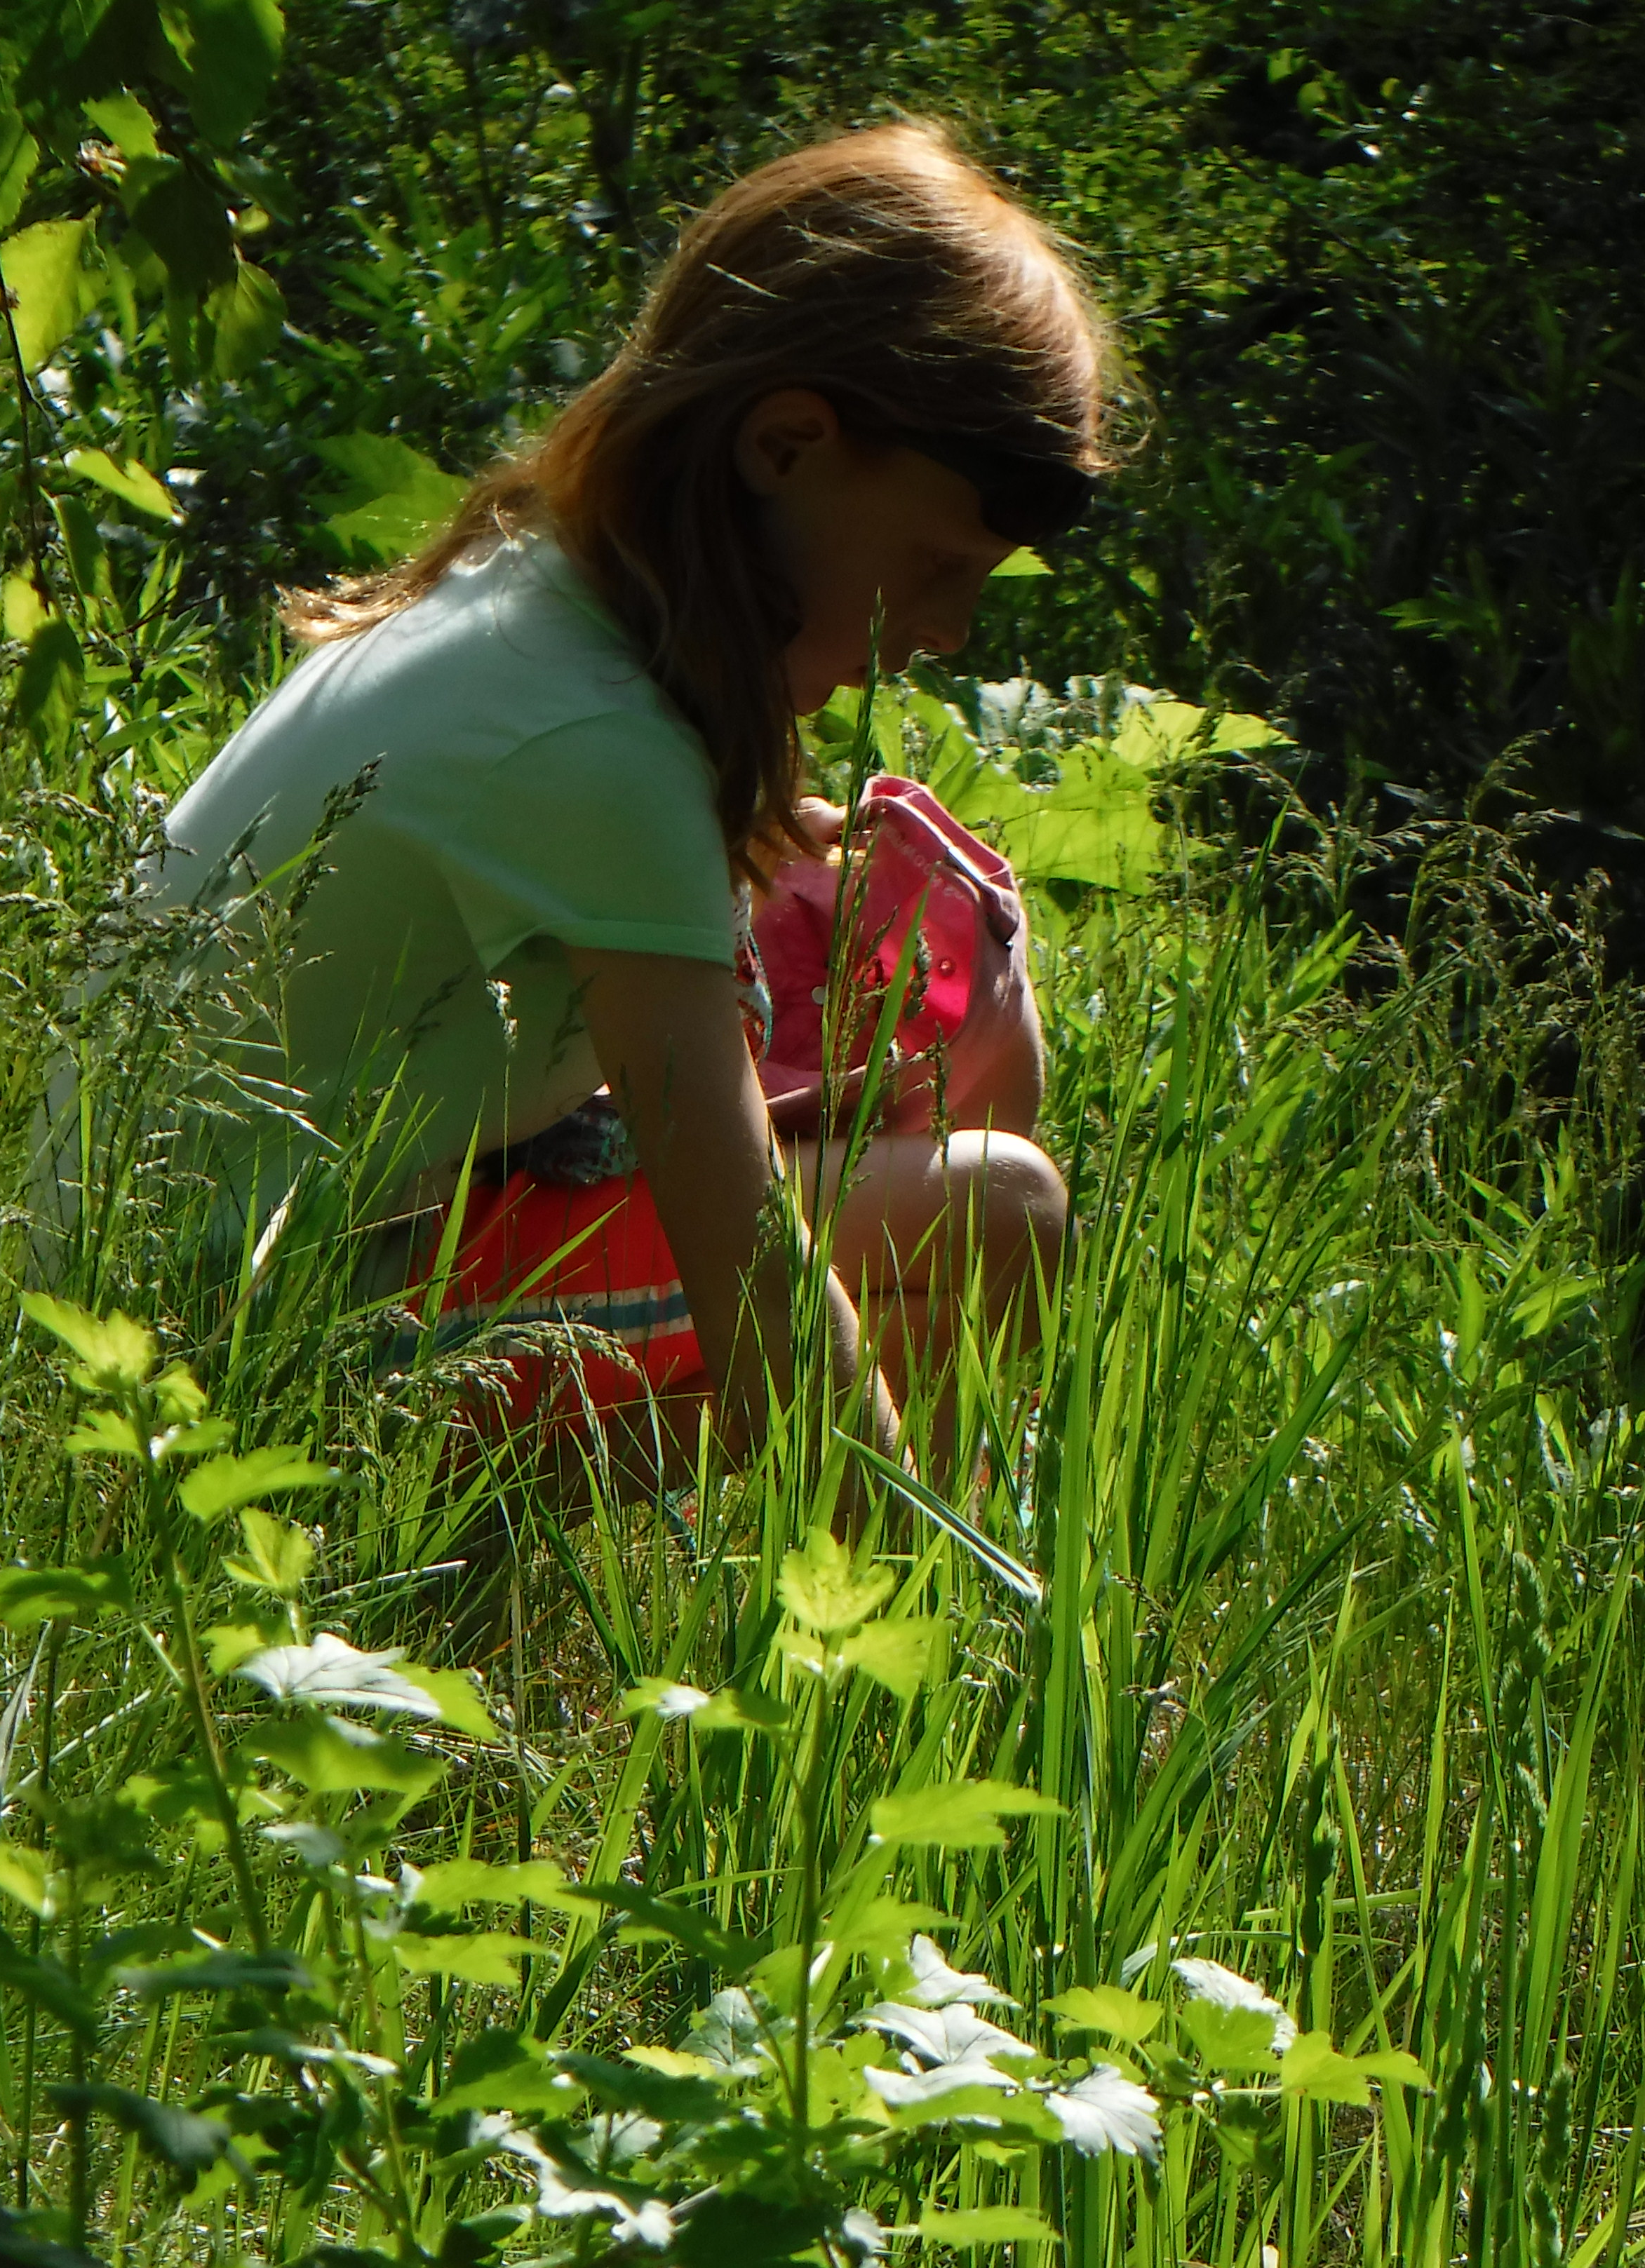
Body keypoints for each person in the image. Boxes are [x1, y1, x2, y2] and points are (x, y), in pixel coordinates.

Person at [124, 121, 1108, 1482]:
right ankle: (893, 1597)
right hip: (239, 1354)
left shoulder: (533, 605)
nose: (947, 632)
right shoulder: (598, 740)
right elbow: (750, 1272)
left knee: (918, 1192)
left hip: (179, 1295)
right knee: (1000, 1216)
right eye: (940, 565)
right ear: (786, 445)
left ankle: (480, 1562)